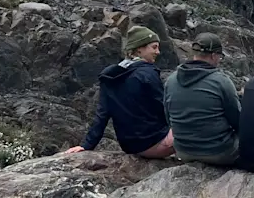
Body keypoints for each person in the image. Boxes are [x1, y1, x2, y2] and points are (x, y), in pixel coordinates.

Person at [65, 25, 175, 158]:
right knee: (194, 124)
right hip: (154, 143)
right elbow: (163, 109)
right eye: (154, 47)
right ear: (139, 49)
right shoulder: (147, 74)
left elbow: (102, 114)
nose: (158, 52)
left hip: (130, 146)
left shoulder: (111, 76)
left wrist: (87, 145)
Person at [164, 32, 241, 166]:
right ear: (214, 55)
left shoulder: (170, 81)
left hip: (183, 151)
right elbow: (237, 120)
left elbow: (168, 117)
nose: (219, 60)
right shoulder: (221, 81)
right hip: (220, 152)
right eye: (220, 56)